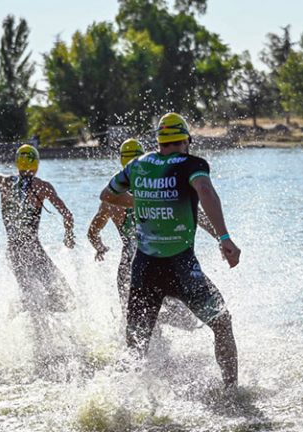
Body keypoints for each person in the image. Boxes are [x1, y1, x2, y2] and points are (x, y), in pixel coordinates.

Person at [99, 113, 241, 389]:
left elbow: (107, 194)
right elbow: (205, 192)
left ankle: (121, 402)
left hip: (143, 270)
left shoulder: (137, 165)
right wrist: (225, 238)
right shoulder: (192, 165)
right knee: (222, 323)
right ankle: (231, 392)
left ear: (160, 141)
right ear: (187, 140)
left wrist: (140, 201)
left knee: (136, 344)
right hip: (182, 269)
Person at [0, 144, 75, 371]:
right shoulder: (42, 187)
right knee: (65, 300)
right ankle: (41, 348)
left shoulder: (4, 182)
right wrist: (68, 236)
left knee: (43, 301)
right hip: (33, 251)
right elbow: (67, 214)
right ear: (36, 165)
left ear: (18, 163)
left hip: (15, 253)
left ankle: (23, 308)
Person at [88, 139, 215, 329]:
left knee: (136, 329)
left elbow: (92, 232)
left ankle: (152, 327)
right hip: (161, 261)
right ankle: (158, 321)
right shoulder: (158, 190)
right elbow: (199, 215)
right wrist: (220, 238)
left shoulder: (110, 202)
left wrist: (99, 247)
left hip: (129, 267)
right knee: (187, 321)